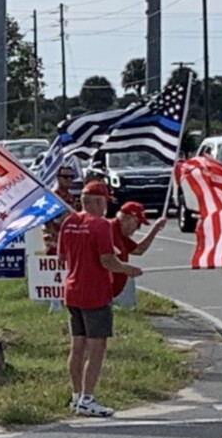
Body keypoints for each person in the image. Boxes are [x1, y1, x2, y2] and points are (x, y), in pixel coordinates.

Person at [57, 181, 142, 417]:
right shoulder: (100, 225)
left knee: (77, 345)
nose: (106, 206)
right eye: (105, 201)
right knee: (96, 347)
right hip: (94, 292)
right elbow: (107, 260)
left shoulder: (69, 222)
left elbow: (62, 255)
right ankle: (88, 397)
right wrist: (126, 269)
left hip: (72, 290)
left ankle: (76, 396)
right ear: (97, 201)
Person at [109, 201, 167, 298]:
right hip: (99, 293)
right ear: (127, 218)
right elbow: (106, 260)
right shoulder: (109, 230)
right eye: (138, 223)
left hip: (108, 295)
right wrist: (126, 269)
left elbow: (139, 250)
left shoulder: (121, 235)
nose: (137, 228)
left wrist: (156, 228)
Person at [42, 164, 81, 256]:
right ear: (58, 178)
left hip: (70, 240)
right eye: (65, 177)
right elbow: (47, 220)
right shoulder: (53, 197)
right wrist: (56, 237)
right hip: (56, 242)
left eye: (71, 177)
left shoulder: (71, 197)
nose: (69, 179)